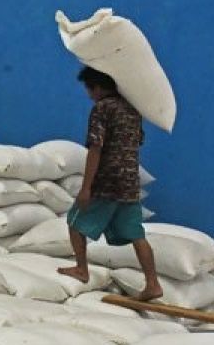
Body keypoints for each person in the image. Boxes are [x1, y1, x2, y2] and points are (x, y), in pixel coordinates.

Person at [57, 66, 163, 301]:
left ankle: (81, 269)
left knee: (74, 220)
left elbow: (96, 149)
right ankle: (153, 283)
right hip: (129, 182)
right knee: (137, 234)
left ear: (96, 87)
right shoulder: (132, 110)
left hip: (107, 181)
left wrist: (86, 188)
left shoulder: (102, 109)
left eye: (89, 89)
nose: (88, 95)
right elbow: (138, 140)